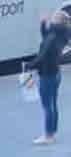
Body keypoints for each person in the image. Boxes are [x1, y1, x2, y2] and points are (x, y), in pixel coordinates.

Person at [25, 10, 71, 145]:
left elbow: (42, 56)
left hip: (47, 75)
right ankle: (52, 131)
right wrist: (42, 24)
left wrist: (29, 65)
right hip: (56, 73)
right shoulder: (60, 33)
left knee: (47, 106)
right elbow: (46, 37)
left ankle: (48, 136)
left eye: (53, 17)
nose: (51, 18)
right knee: (53, 104)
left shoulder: (53, 37)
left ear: (56, 20)